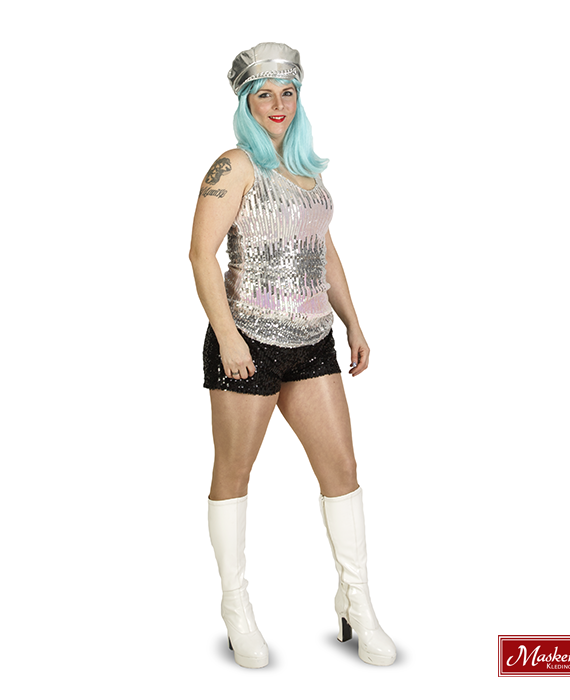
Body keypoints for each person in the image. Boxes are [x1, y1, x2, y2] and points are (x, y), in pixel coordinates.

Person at [189, 42, 396, 668]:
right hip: (247, 341)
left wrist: (353, 321)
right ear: (247, 103)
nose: (277, 104)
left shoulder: (306, 168)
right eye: (264, 94)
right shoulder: (234, 165)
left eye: (287, 93)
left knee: (343, 471)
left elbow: (323, 249)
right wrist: (227, 336)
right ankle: (236, 606)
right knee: (234, 473)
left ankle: (357, 600)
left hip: (312, 343)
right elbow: (200, 255)